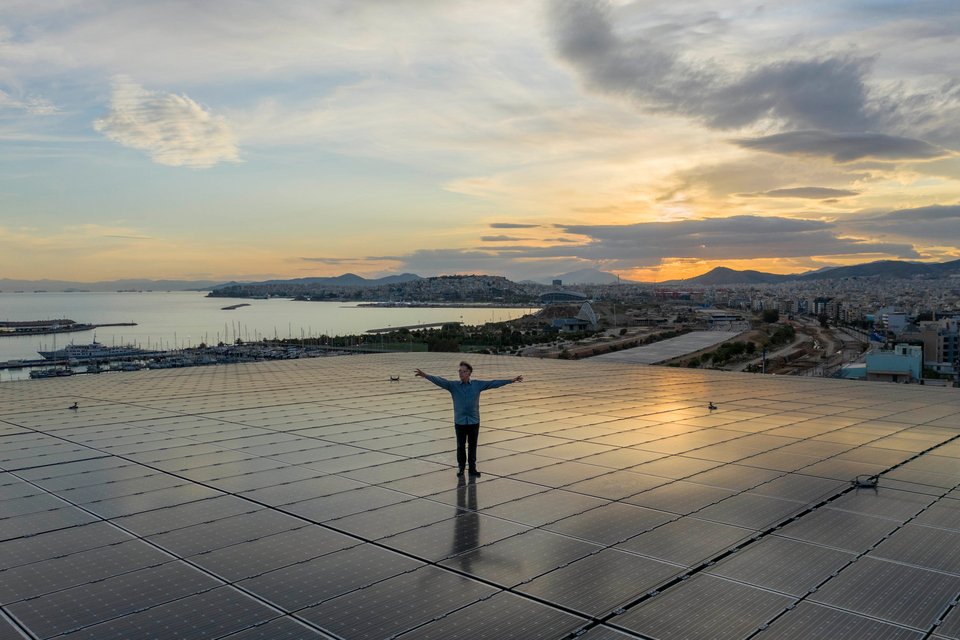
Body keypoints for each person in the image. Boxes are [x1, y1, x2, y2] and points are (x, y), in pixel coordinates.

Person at [415, 361, 522, 477]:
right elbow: (440, 381)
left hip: (473, 421)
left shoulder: (477, 385)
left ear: (469, 373)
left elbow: (493, 383)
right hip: (460, 421)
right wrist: (425, 375)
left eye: (463, 371)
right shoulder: (453, 386)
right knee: (460, 446)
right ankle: (461, 468)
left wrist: (511, 380)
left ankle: (472, 468)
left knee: (472, 446)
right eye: (459, 371)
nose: (461, 373)